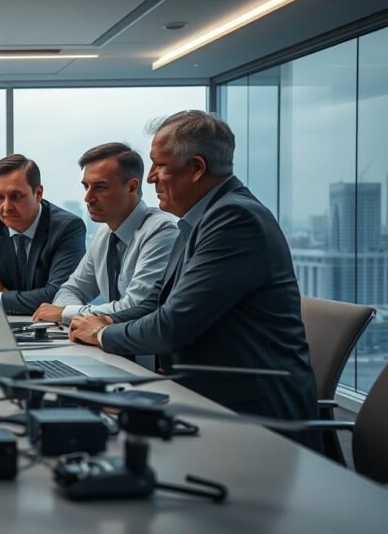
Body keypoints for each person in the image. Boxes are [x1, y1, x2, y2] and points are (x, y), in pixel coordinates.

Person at [68, 111, 321, 448]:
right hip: (206, 390)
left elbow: (173, 325)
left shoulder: (234, 218)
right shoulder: (198, 219)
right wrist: (100, 322)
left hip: (253, 417)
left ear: (197, 167)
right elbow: (152, 302)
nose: (152, 178)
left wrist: (101, 333)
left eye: (160, 166)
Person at [32, 143, 177, 327]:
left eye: (100, 187)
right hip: (101, 345)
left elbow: (136, 307)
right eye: (86, 186)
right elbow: (70, 290)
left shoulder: (161, 230)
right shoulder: (104, 234)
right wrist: (80, 321)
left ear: (131, 187)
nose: (88, 197)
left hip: (141, 354)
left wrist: (66, 313)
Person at [0, 154, 85, 315]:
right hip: (5, 329)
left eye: (16, 196)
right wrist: (15, 299)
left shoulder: (67, 228)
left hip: (52, 330)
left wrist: (1, 296)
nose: (6, 207)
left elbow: (58, 296)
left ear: (38, 193)